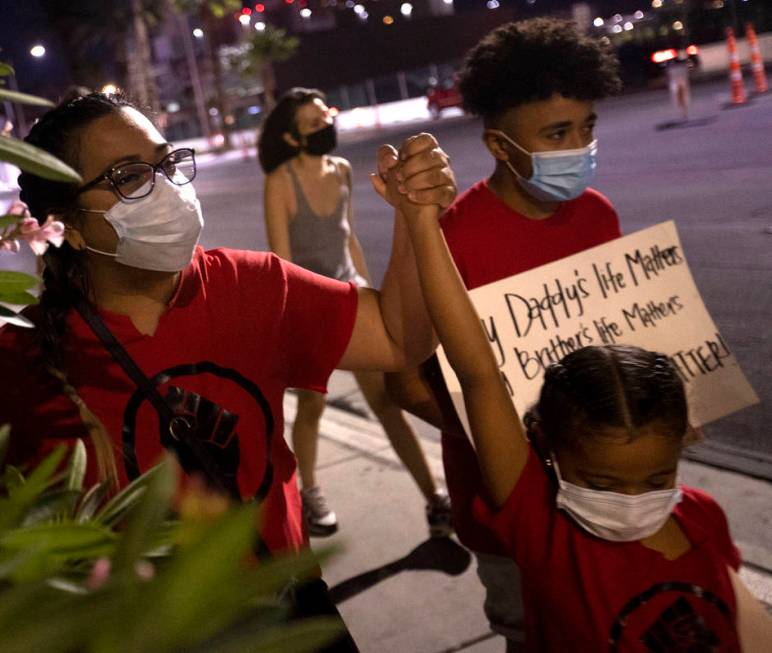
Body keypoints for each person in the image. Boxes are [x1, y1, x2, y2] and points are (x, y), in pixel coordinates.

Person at [0, 92, 455, 650]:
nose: (165, 189)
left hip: (288, 613)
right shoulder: (14, 363)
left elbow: (399, 338)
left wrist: (416, 218)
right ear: (68, 227)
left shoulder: (253, 287)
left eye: (165, 163)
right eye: (128, 177)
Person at [385, 164, 772, 652]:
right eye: (602, 484)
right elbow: (479, 373)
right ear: (547, 447)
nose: (632, 502)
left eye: (657, 481)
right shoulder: (542, 530)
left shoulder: (703, 517)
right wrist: (421, 224)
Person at [385, 17, 623, 650]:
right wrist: (500, 439)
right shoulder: (451, 244)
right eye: (556, 133)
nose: (579, 146)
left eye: (586, 127)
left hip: (609, 494)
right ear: (498, 145)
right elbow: (405, 381)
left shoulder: (598, 214)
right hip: (510, 519)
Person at [257, 88, 450, 538]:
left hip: (351, 297)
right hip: (310, 306)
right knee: (312, 403)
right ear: (291, 138)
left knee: (387, 402)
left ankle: (435, 499)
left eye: (326, 116)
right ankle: (310, 492)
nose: (325, 126)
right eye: (312, 123)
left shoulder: (342, 171)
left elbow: (349, 240)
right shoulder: (280, 181)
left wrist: (372, 296)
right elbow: (281, 263)